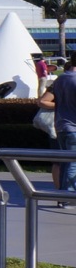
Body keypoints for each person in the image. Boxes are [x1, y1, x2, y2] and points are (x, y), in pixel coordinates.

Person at [41, 59, 76, 203]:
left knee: (65, 163)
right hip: (73, 127)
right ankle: (67, 198)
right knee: (72, 164)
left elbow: (43, 100)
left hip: (61, 126)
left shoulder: (59, 80)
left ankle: (62, 196)